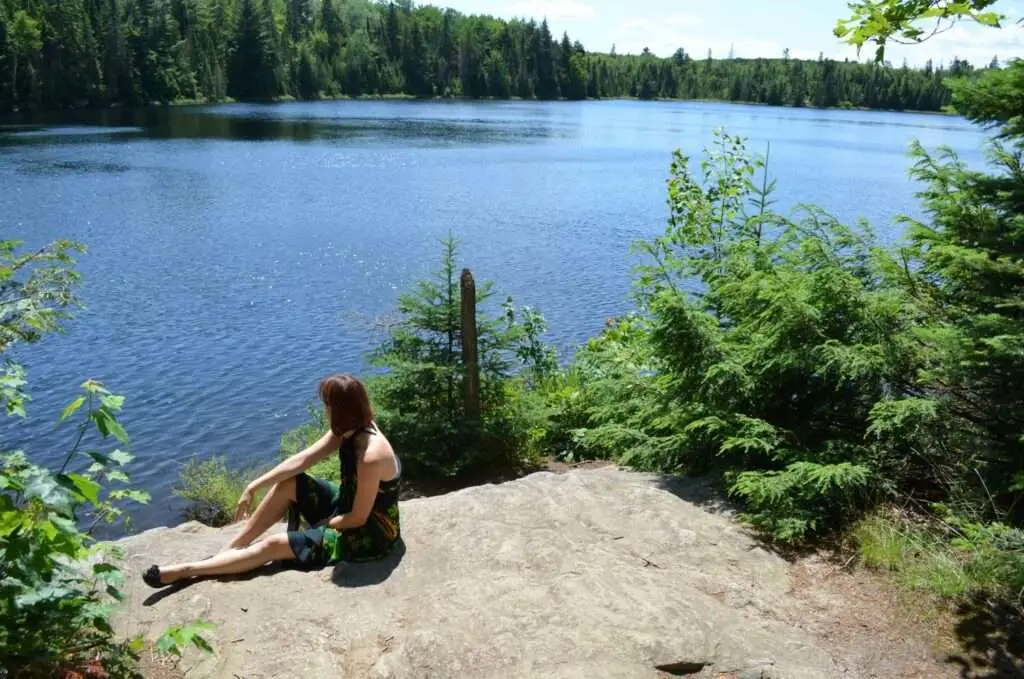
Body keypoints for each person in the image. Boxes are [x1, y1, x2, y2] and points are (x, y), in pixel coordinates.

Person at [142, 374, 402, 588]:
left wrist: (324, 523)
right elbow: (302, 460)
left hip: (369, 533)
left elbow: (357, 518)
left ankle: (188, 570)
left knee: (274, 545)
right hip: (346, 505)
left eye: (327, 404)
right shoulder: (349, 429)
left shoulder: (371, 455)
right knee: (289, 483)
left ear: (340, 410)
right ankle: (232, 549)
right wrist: (253, 486)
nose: (325, 410)